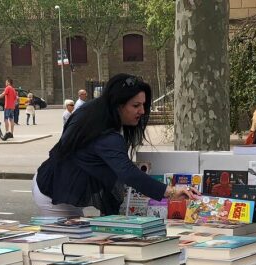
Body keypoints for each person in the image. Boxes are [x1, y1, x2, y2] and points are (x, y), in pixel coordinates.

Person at [34, 74, 198, 217]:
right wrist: (171, 191)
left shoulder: (94, 114)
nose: (142, 111)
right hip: (52, 192)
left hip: (59, 186)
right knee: (66, 244)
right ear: (118, 105)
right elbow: (127, 173)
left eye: (143, 105)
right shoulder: (106, 135)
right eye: (135, 106)